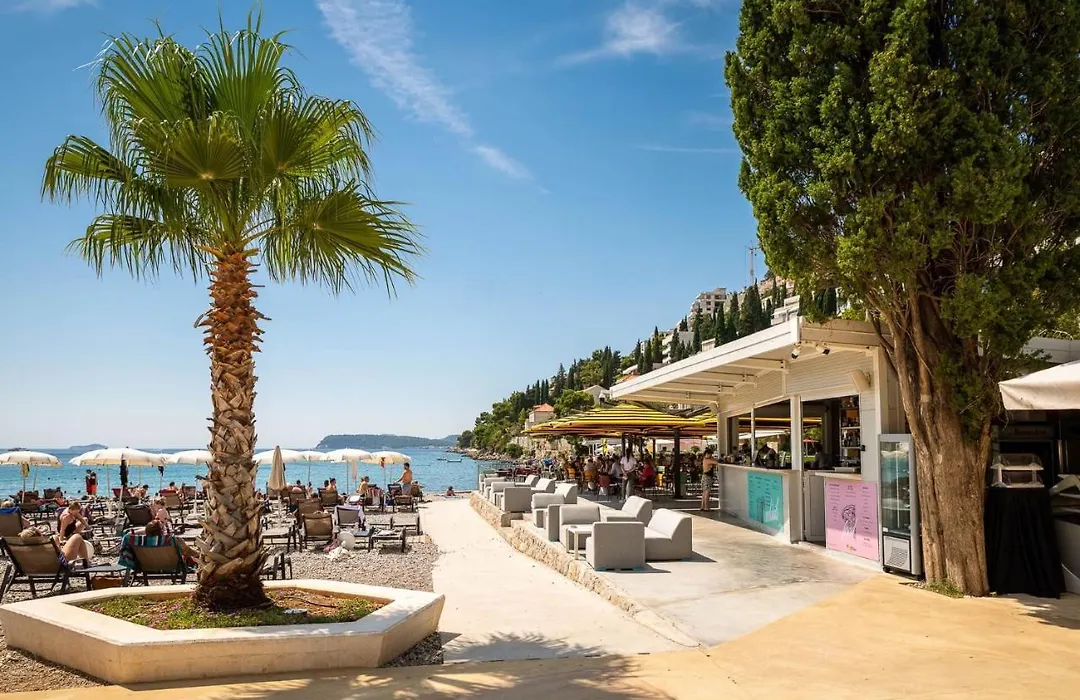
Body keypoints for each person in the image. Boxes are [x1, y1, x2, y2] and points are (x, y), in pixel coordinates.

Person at [117, 519, 196, 570]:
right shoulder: (172, 540)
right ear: (162, 531)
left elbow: (128, 535)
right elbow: (190, 552)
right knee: (186, 554)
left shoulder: (138, 541)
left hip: (146, 567)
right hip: (172, 566)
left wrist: (145, 530)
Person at [20, 526, 91, 567]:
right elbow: (61, 555)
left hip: (37, 568)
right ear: (39, 537)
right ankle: (86, 563)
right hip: (58, 567)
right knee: (77, 537)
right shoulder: (46, 547)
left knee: (55, 537)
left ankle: (86, 562)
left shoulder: (23, 549)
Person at [701, 447, 719, 512]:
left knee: (704, 492)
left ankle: (702, 506)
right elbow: (716, 462)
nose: (711, 455)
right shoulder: (708, 460)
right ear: (707, 454)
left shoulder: (704, 459)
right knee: (707, 492)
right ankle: (706, 507)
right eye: (710, 454)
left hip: (704, 476)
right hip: (707, 477)